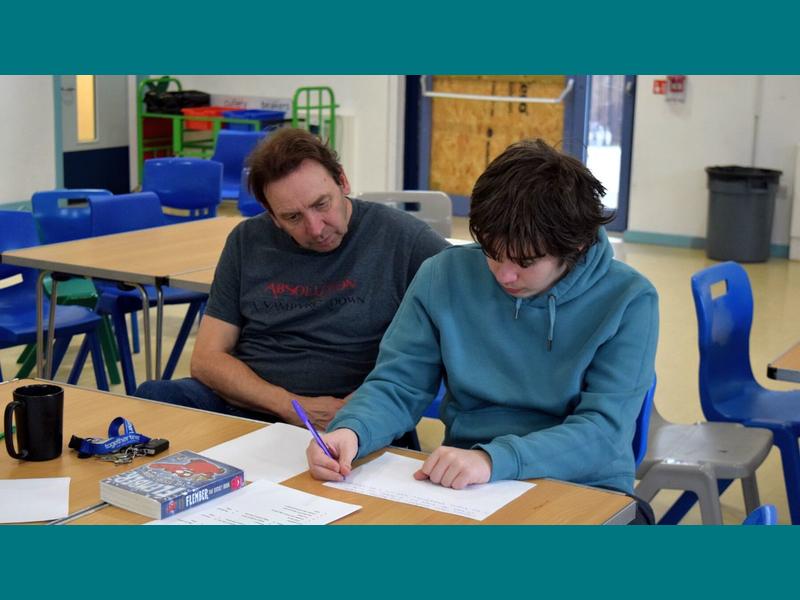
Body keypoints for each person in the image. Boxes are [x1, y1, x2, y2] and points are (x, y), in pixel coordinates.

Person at [307, 139, 659, 521]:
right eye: (491, 251)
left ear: (574, 245)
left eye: (525, 261)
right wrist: (352, 432)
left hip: (585, 486)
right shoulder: (443, 275)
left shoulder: (629, 299)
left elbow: (603, 432)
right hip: (468, 485)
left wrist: (494, 459)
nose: (504, 274)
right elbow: (398, 385)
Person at [136, 128, 449, 430]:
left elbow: (467, 306)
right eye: (293, 217)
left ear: (343, 181)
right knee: (153, 399)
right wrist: (290, 406)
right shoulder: (247, 240)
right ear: (272, 215)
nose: (315, 228)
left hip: (350, 415)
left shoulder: (402, 238)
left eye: (321, 204)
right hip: (252, 404)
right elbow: (207, 359)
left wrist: (373, 401)